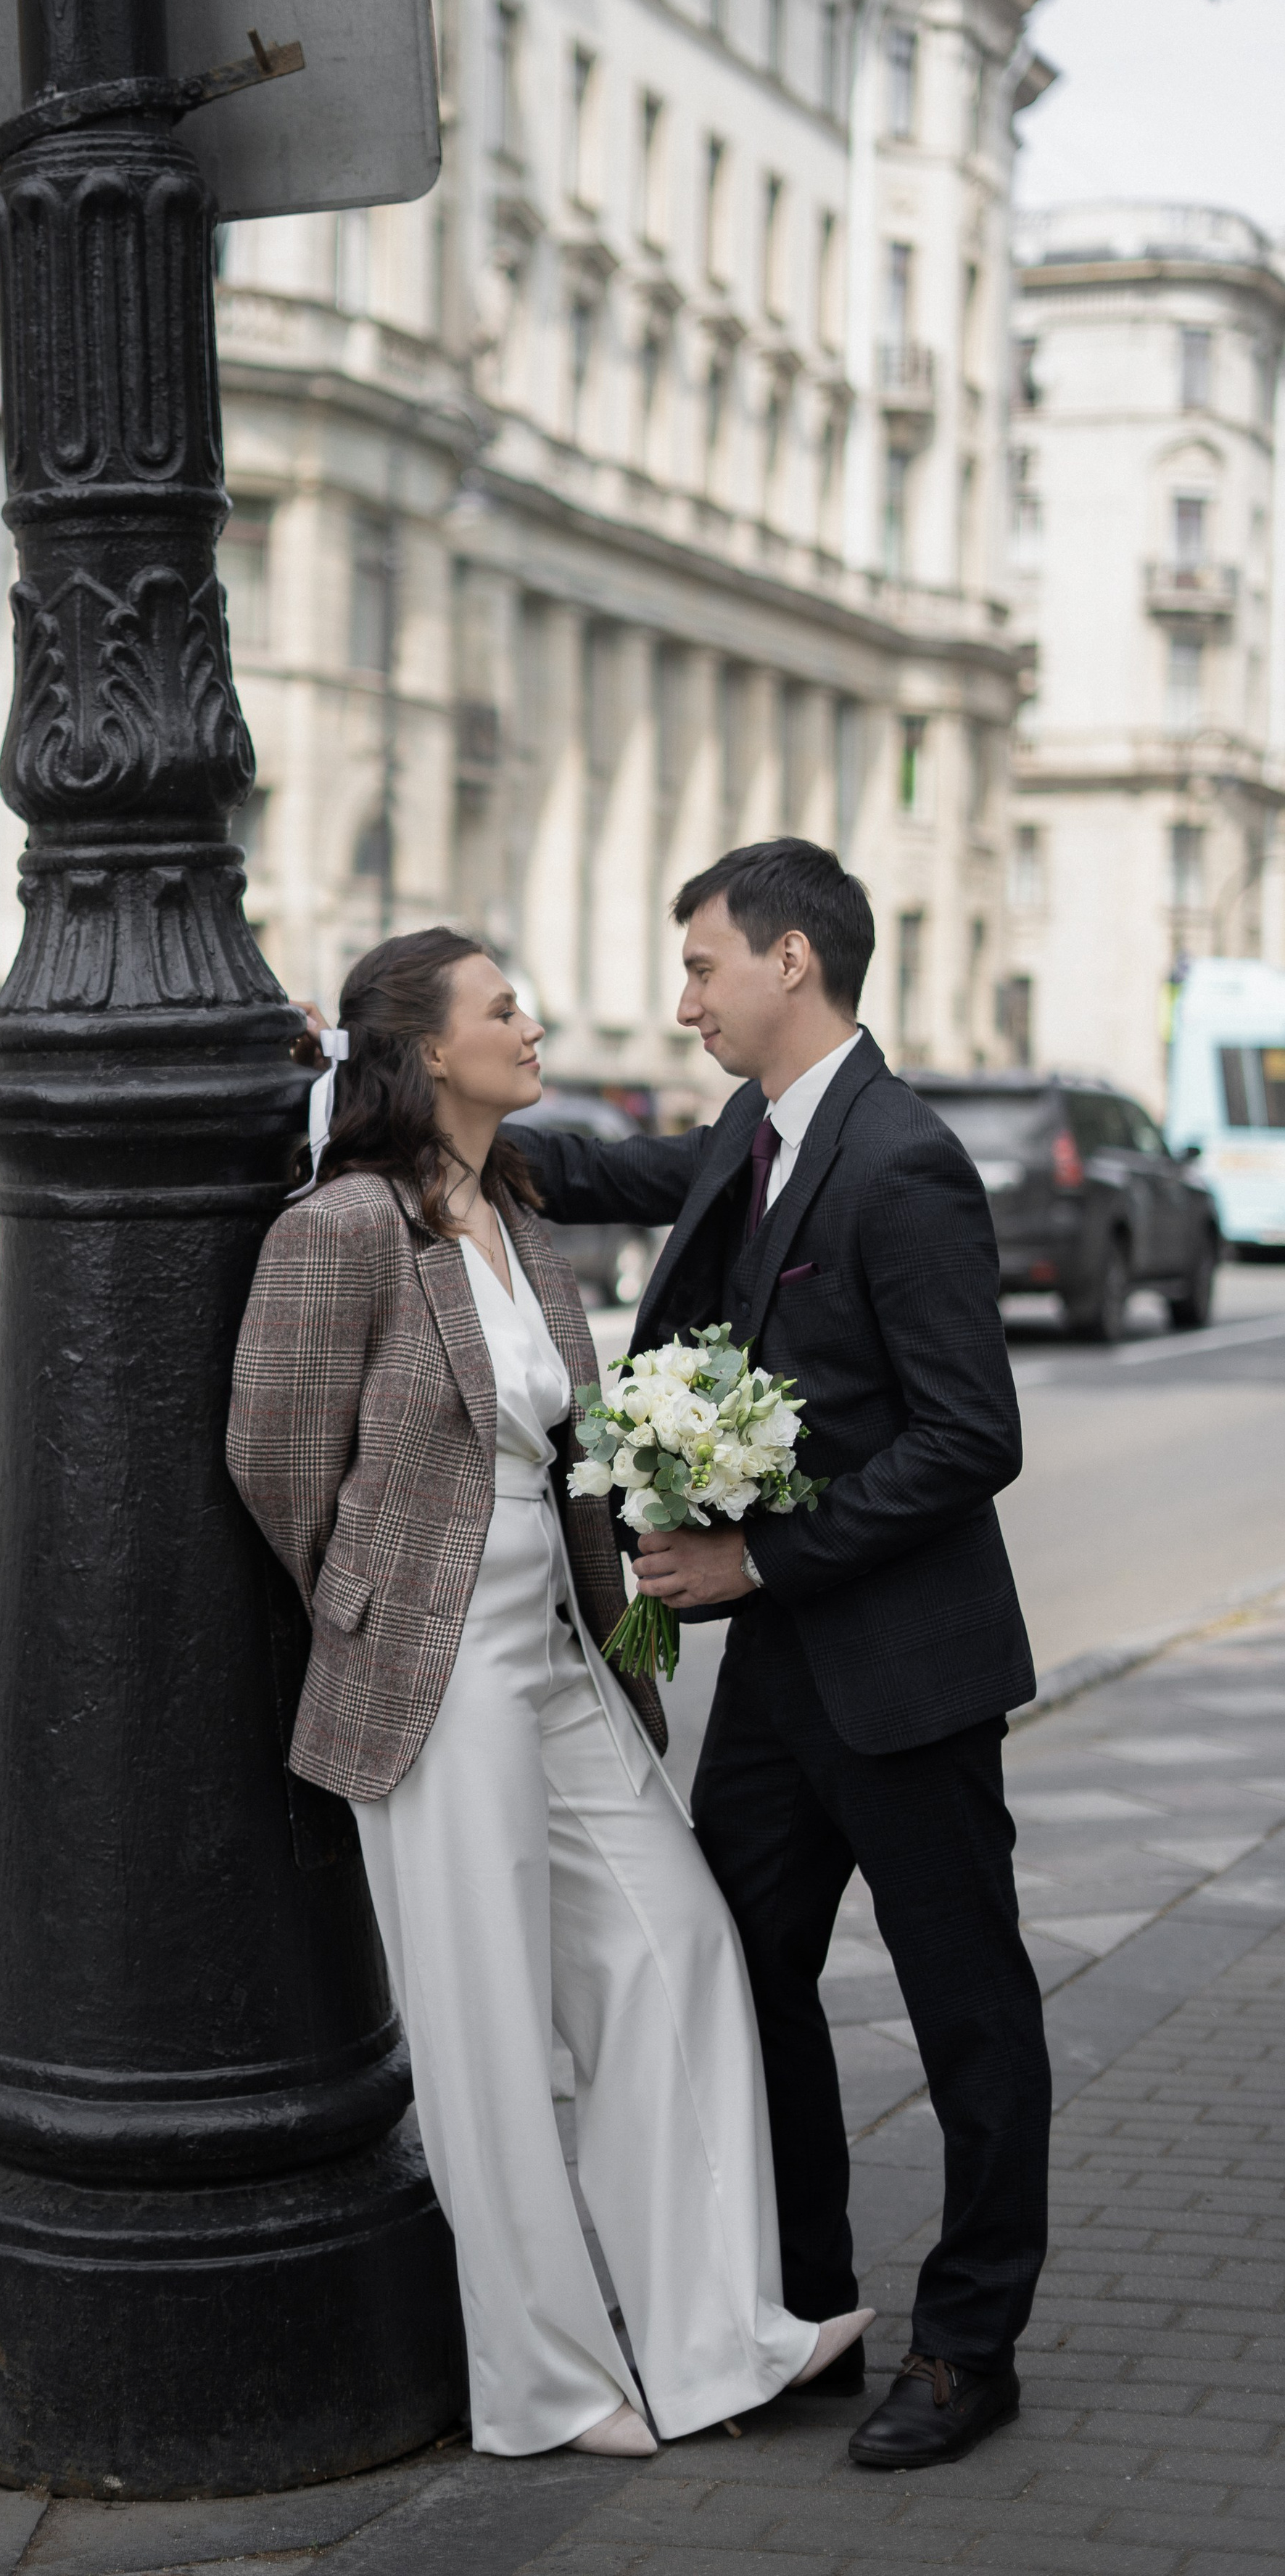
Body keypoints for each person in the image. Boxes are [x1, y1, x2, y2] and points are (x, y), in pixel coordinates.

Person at [228, 927, 871, 2461]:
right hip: (433, 1673)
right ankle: (548, 2385)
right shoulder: (342, 1228)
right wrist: (370, 1604)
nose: (531, 1025)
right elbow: (273, 1458)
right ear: (426, 1053)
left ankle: (720, 2339)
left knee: (676, 1947)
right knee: (486, 2033)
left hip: (562, 1654)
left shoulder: (515, 1209)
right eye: (501, 1008)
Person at [513, 836, 1049, 2472]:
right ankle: (810, 2307)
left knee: (967, 2013)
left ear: (788, 963)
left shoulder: (899, 1161)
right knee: (741, 1975)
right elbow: (622, 1175)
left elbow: (971, 1435)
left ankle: (968, 2346)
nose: (684, 1004)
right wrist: (417, 1109)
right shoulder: (757, 1130)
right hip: (782, 1684)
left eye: (698, 969)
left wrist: (758, 1554)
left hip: (903, 1670)